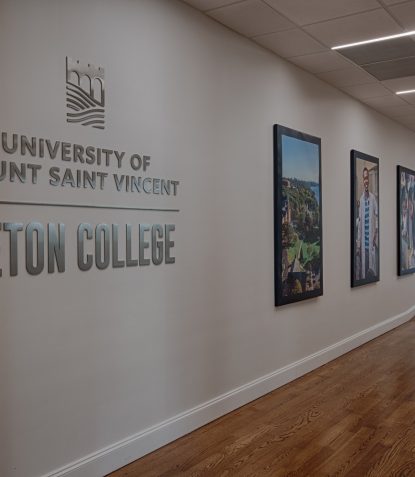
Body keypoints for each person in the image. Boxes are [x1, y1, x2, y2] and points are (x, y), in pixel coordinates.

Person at [356, 167, 378, 280]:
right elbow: (359, 224)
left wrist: (376, 234)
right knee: (364, 272)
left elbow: (378, 216)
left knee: (372, 271)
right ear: (363, 180)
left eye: (367, 178)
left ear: (369, 180)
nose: (366, 181)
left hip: (371, 242)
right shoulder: (361, 200)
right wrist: (358, 245)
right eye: (364, 178)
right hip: (363, 244)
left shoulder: (373, 198)